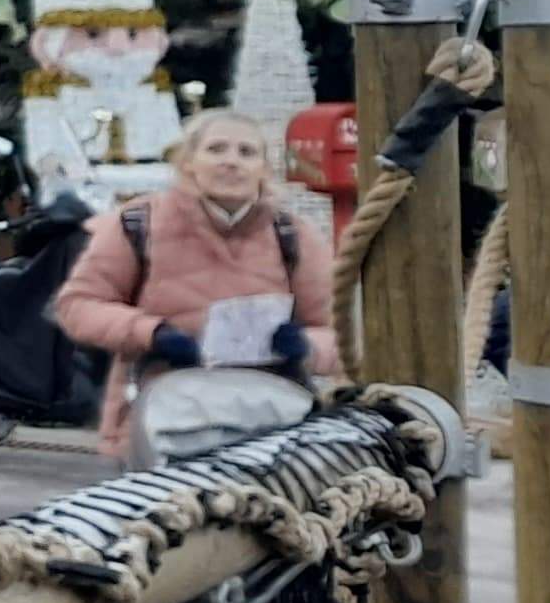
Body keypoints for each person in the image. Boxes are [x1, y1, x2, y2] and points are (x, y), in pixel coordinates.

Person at [52, 107, 338, 467]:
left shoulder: (293, 235)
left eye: (246, 152)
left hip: (271, 419)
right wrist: (152, 333)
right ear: (188, 162)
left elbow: (341, 334)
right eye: (216, 149)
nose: (231, 162)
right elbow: (78, 305)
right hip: (161, 415)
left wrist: (306, 346)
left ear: (264, 169)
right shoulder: (139, 223)